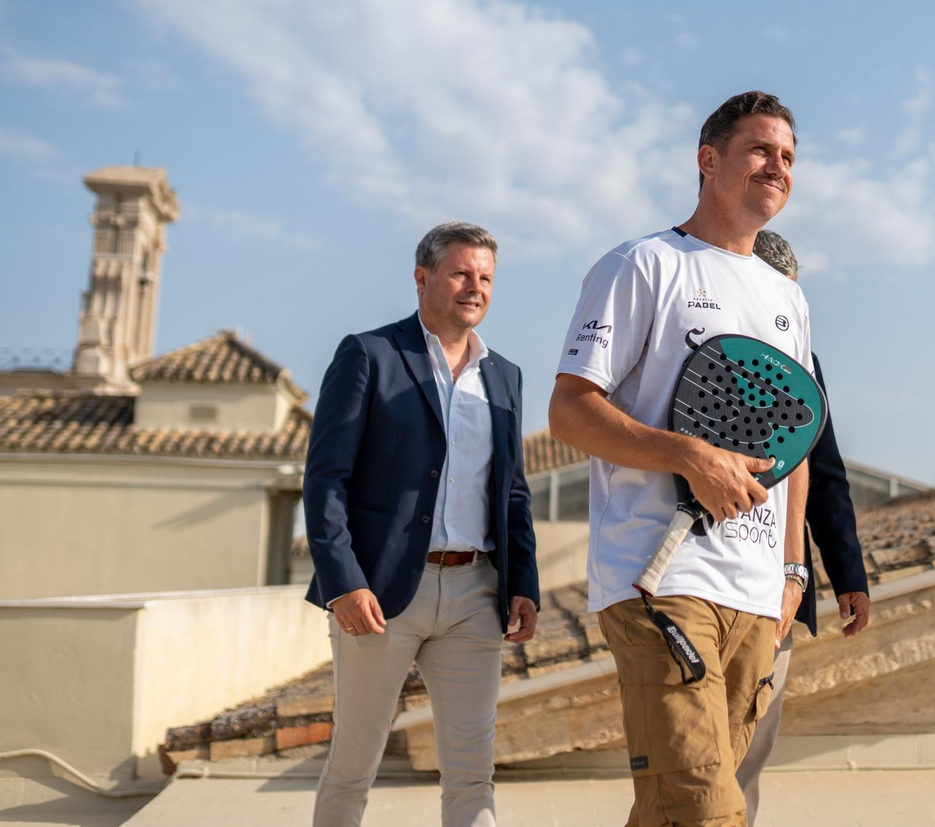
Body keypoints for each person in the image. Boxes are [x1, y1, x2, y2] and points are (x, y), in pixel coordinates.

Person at [548, 91, 812, 827]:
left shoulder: (788, 297)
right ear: (708, 160)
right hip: (661, 580)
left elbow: (795, 446)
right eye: (760, 149)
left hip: (757, 593)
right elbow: (569, 410)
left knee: (673, 812)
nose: (777, 166)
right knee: (708, 813)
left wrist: (792, 571)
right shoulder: (641, 264)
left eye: (788, 157)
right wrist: (690, 456)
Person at [302, 222, 540, 827]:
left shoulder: (505, 376)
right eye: (461, 273)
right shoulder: (370, 355)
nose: (475, 287)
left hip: (475, 593)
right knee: (354, 762)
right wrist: (343, 582)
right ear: (423, 277)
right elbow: (325, 478)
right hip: (379, 593)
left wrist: (524, 583)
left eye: (486, 278)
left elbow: (512, 490)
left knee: (472, 771)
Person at [735, 229, 871, 824]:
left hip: (780, 593)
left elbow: (826, 475)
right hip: (697, 580)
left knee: (748, 758)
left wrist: (848, 577)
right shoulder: (702, 349)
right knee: (691, 758)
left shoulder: (806, 363)